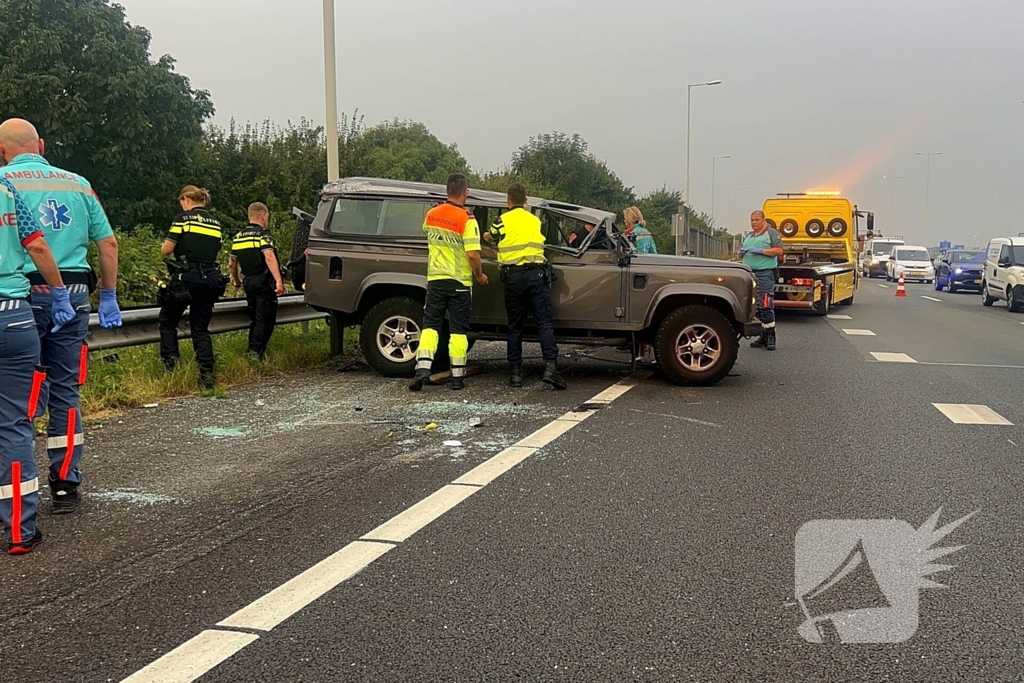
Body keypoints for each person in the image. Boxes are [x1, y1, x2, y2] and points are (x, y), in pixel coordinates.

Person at [0, 118, 122, 515]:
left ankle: (18, 493)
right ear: (42, 145)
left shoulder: (4, 184)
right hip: (73, 293)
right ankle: (66, 483)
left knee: (16, 402)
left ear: (2, 151)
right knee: (66, 391)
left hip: (22, 295)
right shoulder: (79, 183)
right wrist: (108, 295)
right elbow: (108, 242)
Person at [0, 175, 77, 554]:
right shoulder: (5, 191)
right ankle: (19, 529)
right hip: (12, 315)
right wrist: (59, 293)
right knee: (14, 422)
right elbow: (38, 247)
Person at [409, 173, 487, 392]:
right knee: (458, 330)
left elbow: (427, 232)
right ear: (465, 192)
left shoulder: (431, 214)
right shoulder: (467, 220)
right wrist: (480, 275)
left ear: (446, 191)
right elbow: (472, 255)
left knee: (431, 326)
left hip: (436, 280)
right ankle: (457, 377)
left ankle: (422, 370)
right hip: (460, 283)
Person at [486, 183, 566, 390]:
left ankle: (515, 374)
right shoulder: (535, 220)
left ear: (508, 200)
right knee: (544, 323)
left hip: (513, 278)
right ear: (526, 200)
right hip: (536, 276)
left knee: (515, 325)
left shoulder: (501, 220)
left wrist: (487, 236)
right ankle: (550, 369)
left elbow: (492, 237)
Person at [159, 186, 226, 389]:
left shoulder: (182, 219)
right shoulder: (215, 223)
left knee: (167, 321)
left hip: (186, 278)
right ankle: (206, 375)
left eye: (181, 202)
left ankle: (172, 368)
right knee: (200, 328)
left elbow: (166, 250)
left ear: (186, 199)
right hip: (210, 279)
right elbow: (215, 255)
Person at [229, 202, 284, 361]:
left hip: (248, 282)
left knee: (255, 318)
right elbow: (269, 256)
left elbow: (232, 264)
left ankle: (253, 351)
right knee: (265, 319)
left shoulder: (238, 237)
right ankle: (255, 354)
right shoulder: (263, 235)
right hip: (263, 282)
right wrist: (278, 281)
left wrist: (237, 281)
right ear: (263, 216)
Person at [740, 210, 784, 350]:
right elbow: (740, 255)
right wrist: (741, 253)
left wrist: (761, 251)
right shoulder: (748, 236)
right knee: (754, 307)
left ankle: (771, 335)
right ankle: (762, 336)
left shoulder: (771, 233)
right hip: (749, 274)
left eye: (757, 220)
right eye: (752, 220)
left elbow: (778, 251)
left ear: (764, 220)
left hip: (764, 274)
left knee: (765, 304)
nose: (754, 223)